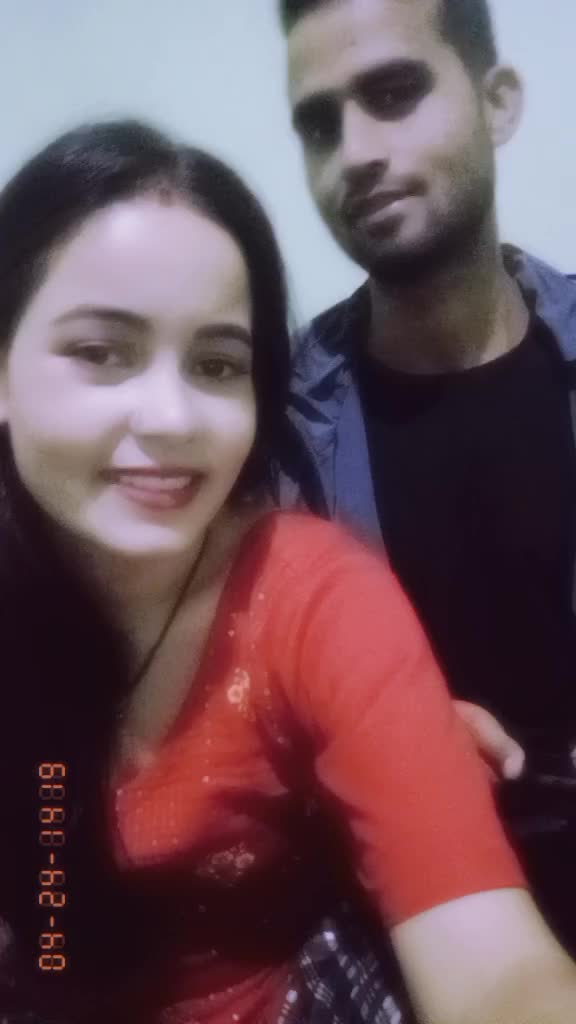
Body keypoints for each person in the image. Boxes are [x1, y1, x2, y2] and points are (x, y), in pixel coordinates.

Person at [1, 119, 575, 1024]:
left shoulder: (312, 595)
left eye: (217, 363)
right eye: (100, 352)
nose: (171, 417)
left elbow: (496, 972)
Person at [279, 0, 576, 956]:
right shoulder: (271, 430)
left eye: (394, 92)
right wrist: (378, 733)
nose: (355, 152)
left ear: (498, 103)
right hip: (405, 930)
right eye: (319, 124)